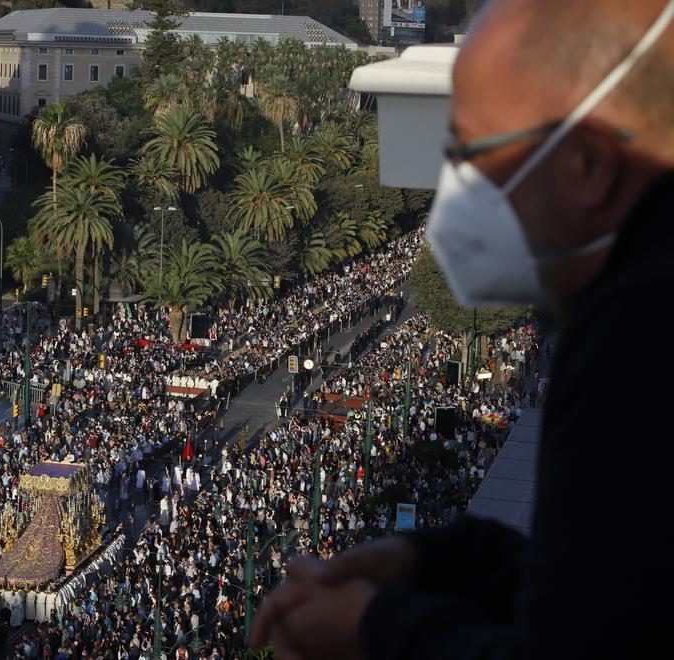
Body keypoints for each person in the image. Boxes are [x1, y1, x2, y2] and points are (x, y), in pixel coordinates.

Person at [250, 1, 674, 659]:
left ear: (588, 165)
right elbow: (615, 593)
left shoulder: (640, 336)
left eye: (472, 156)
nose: (456, 194)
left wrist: (373, 628)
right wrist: (428, 561)